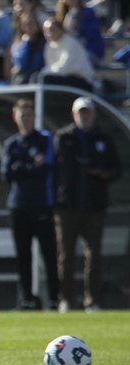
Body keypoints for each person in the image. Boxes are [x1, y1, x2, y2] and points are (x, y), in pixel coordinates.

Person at [53, 96, 120, 313]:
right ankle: (67, 299)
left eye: (88, 112)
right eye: (81, 112)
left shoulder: (104, 139)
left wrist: (103, 173)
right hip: (68, 205)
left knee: (94, 255)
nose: (85, 116)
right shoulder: (63, 137)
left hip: (95, 204)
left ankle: (93, 300)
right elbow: (53, 171)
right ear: (74, 115)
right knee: (66, 255)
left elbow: (117, 168)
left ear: (94, 114)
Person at [0, 99, 59, 311]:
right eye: (22, 115)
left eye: (29, 115)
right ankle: (27, 299)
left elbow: (46, 169)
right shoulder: (11, 144)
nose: (26, 119)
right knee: (23, 256)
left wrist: (21, 168)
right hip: (18, 205)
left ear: (35, 117)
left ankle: (53, 298)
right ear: (15, 118)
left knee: (48, 254)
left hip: (41, 204)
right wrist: (30, 167)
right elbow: (6, 173)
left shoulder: (45, 139)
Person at [38, 18, 94, 91]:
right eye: (46, 31)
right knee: (35, 78)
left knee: (46, 80)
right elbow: (50, 66)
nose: (49, 33)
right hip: (64, 78)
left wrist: (44, 72)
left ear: (61, 29)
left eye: (52, 29)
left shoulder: (70, 43)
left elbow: (64, 68)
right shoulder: (49, 45)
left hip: (81, 80)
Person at [56, 0, 104, 65]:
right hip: (71, 49)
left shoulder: (88, 12)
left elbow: (94, 34)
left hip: (90, 50)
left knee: (70, 61)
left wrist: (80, 26)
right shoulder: (66, 13)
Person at [10, 12, 46, 84]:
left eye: (32, 23)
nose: (29, 27)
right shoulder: (21, 42)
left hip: (38, 73)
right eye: (26, 24)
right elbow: (21, 63)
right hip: (24, 73)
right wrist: (26, 43)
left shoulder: (44, 41)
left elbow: (38, 63)